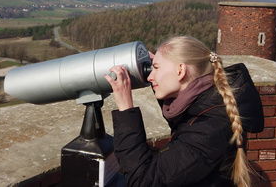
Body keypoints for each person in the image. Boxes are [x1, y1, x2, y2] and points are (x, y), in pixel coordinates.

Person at [105, 35, 263, 187]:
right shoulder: (206, 105)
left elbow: (143, 180)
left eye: (156, 68)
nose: (149, 76)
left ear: (180, 71)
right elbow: (179, 111)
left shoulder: (209, 130)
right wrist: (155, 67)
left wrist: (126, 108)